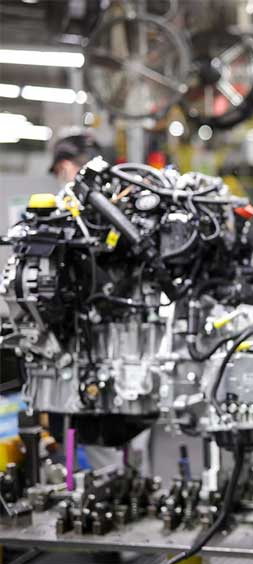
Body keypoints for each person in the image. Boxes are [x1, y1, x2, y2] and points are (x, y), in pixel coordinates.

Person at [49, 133, 152, 476]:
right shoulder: (122, 216)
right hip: (134, 360)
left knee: (97, 464)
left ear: (65, 167)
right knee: (131, 455)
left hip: (86, 361)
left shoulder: (64, 217)